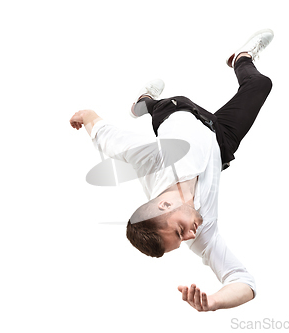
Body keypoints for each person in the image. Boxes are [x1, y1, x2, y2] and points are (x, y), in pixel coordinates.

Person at [70, 29, 274, 311]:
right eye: (183, 239)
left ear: (164, 204)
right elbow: (244, 282)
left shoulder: (152, 161)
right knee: (261, 85)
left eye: (179, 231)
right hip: (220, 140)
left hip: (179, 111)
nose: (191, 236)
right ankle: (241, 59)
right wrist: (213, 301)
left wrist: (87, 116)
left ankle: (144, 101)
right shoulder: (203, 233)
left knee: (157, 106)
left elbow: (109, 140)